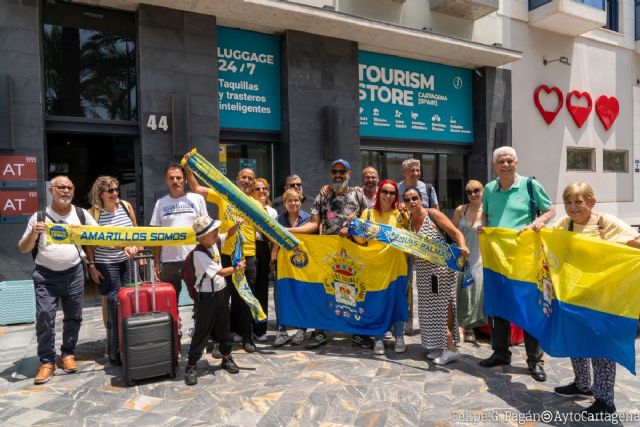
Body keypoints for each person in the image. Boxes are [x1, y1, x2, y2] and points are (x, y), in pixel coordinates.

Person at [552, 182, 640, 415]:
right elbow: (546, 241)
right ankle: (582, 384)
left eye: (578, 201)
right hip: (573, 296)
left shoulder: (605, 222)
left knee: (600, 349)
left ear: (592, 202)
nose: (573, 207)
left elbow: (634, 242)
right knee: (576, 341)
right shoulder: (566, 224)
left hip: (603, 301)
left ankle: (605, 401)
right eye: (568, 202)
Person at [479, 146, 556, 382]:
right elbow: (486, 214)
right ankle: (501, 353)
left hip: (525, 258)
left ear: (516, 163)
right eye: (501, 161)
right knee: (499, 306)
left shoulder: (530, 185)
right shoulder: (490, 189)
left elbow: (550, 209)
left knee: (529, 306)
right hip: (498, 257)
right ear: (494, 166)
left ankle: (535, 361)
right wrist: (482, 225)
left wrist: (538, 223)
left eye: (509, 160)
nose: (505, 164)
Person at [18, 176, 98, 384]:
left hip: (74, 273)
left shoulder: (81, 214)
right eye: (61, 187)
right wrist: (33, 235)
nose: (66, 191)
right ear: (51, 191)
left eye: (69, 187)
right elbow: (23, 248)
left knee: (74, 316)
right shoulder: (39, 216)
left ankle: (67, 355)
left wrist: (126, 244)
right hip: (46, 276)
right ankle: (46, 362)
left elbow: (102, 235)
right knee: (45, 317)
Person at [287, 159, 370, 349]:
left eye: (342, 172)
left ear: (349, 174)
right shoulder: (322, 197)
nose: (338, 175)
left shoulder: (359, 196)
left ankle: (357, 332)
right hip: (328, 254)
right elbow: (314, 224)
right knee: (325, 290)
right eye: (335, 171)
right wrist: (290, 231)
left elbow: (367, 224)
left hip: (354, 254)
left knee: (354, 291)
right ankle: (320, 331)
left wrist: (352, 229)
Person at [184, 158, 260, 353]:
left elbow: (270, 229)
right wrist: (188, 166)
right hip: (224, 254)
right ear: (236, 179)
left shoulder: (256, 205)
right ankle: (220, 340)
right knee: (221, 301)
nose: (247, 180)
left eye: (250, 178)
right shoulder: (223, 195)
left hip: (247, 256)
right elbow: (195, 188)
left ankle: (247, 336)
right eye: (243, 177)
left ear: (254, 182)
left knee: (244, 299)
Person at [404, 187, 469, 365]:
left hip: (439, 271)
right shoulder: (409, 220)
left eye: (414, 198)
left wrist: (463, 246)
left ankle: (451, 349)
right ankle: (439, 346)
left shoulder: (432, 214)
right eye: (408, 199)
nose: (412, 202)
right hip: (424, 273)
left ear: (421, 198)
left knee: (439, 308)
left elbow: (456, 233)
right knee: (429, 310)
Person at [184, 215, 244, 386]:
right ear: (202, 238)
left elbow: (228, 234)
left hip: (221, 292)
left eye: (217, 231)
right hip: (206, 297)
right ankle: (192, 365)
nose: (218, 234)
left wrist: (236, 225)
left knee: (224, 327)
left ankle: (226, 358)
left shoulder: (214, 242)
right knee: (202, 330)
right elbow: (221, 272)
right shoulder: (199, 254)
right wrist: (237, 268)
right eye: (213, 233)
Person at [353, 179, 409, 355]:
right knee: (377, 302)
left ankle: (399, 336)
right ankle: (378, 337)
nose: (388, 196)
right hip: (375, 268)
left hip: (398, 266)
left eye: (392, 193)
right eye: (385, 192)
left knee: (399, 301)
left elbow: (410, 239)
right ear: (379, 193)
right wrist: (354, 229)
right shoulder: (368, 214)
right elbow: (361, 241)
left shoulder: (401, 215)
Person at [85, 176, 139, 332]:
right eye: (110, 190)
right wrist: (92, 266)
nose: (115, 193)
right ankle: (112, 336)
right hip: (106, 262)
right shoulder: (93, 213)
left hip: (128, 260)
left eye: (116, 189)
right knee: (110, 298)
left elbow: (136, 231)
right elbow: (89, 242)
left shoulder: (126, 206)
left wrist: (136, 247)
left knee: (129, 294)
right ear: (101, 193)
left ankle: (126, 333)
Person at [150, 163, 207, 302]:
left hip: (195, 258)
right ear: (166, 181)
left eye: (178, 177)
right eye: (171, 178)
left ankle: (200, 323)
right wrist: (156, 262)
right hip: (169, 261)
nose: (175, 181)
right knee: (169, 300)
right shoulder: (160, 203)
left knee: (200, 297)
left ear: (185, 179)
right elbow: (156, 235)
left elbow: (206, 229)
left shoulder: (197, 199)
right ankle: (174, 324)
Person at [271, 188, 311, 346]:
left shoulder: (308, 219)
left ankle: (301, 329)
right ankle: (282, 330)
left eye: (296, 200)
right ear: (284, 203)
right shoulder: (279, 220)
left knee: (301, 295)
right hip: (284, 265)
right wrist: (273, 256)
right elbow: (275, 241)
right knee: (280, 295)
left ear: (300, 202)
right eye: (290, 201)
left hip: (303, 265)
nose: (294, 203)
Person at [451, 180, 486, 342]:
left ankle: (470, 325)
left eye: (476, 190)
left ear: (482, 190)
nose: (472, 194)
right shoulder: (460, 210)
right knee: (459, 291)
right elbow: (452, 232)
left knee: (474, 291)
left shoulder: (488, 211)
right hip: (461, 257)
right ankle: (461, 325)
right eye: (469, 192)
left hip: (479, 258)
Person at [251, 177, 278, 342]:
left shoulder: (272, 211)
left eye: (264, 188)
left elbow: (274, 237)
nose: (261, 191)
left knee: (262, 290)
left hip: (263, 249)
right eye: (257, 188)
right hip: (249, 248)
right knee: (248, 289)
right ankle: (245, 328)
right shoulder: (246, 206)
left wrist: (272, 257)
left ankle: (260, 329)